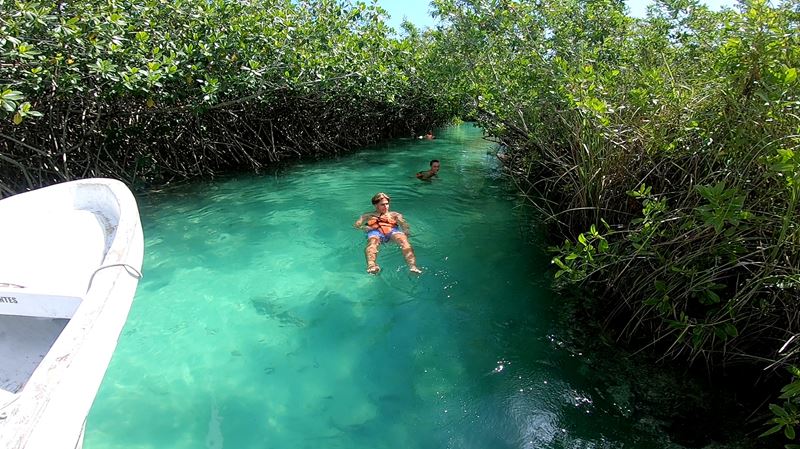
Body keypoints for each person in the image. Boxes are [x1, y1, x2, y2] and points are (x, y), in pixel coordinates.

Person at [354, 192, 421, 274]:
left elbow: (403, 224)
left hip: (392, 232)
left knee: (403, 239)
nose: (386, 207)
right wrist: (364, 227)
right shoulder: (367, 215)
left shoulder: (395, 215)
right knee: (372, 243)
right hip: (375, 232)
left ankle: (412, 266)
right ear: (375, 205)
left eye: (387, 204)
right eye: (382, 204)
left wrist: (406, 231)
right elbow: (356, 225)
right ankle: (372, 266)